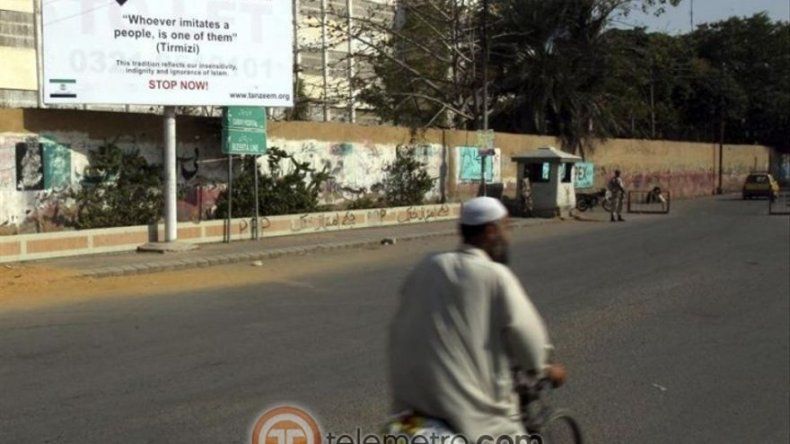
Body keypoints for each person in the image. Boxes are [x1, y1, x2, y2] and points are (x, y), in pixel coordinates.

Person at [388, 197, 566, 441]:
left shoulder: (426, 267)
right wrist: (545, 368)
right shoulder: (496, 276)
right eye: (506, 228)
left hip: (408, 418)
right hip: (470, 422)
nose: (508, 237)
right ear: (492, 231)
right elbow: (530, 342)